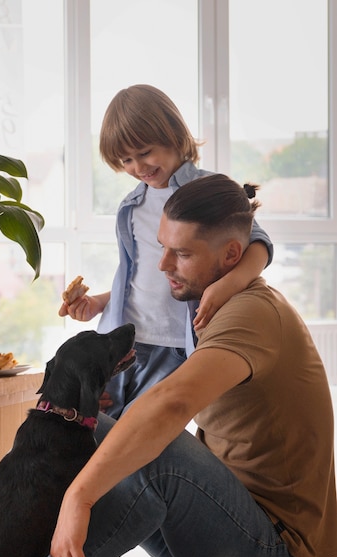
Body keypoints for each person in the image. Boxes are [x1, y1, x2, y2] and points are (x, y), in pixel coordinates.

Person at [49, 174, 337, 557]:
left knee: (156, 442)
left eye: (181, 253)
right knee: (67, 419)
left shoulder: (253, 311)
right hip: (225, 533)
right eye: (162, 247)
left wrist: (79, 496)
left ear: (231, 256)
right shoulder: (212, 307)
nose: (163, 264)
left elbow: (172, 403)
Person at [59, 84, 273, 418]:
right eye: (126, 160)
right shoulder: (132, 206)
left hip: (175, 344)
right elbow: (139, 275)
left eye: (144, 152)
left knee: (138, 430)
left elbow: (259, 244)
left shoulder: (208, 191)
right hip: (123, 339)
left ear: (172, 135)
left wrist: (225, 287)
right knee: (93, 421)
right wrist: (101, 303)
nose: (137, 166)